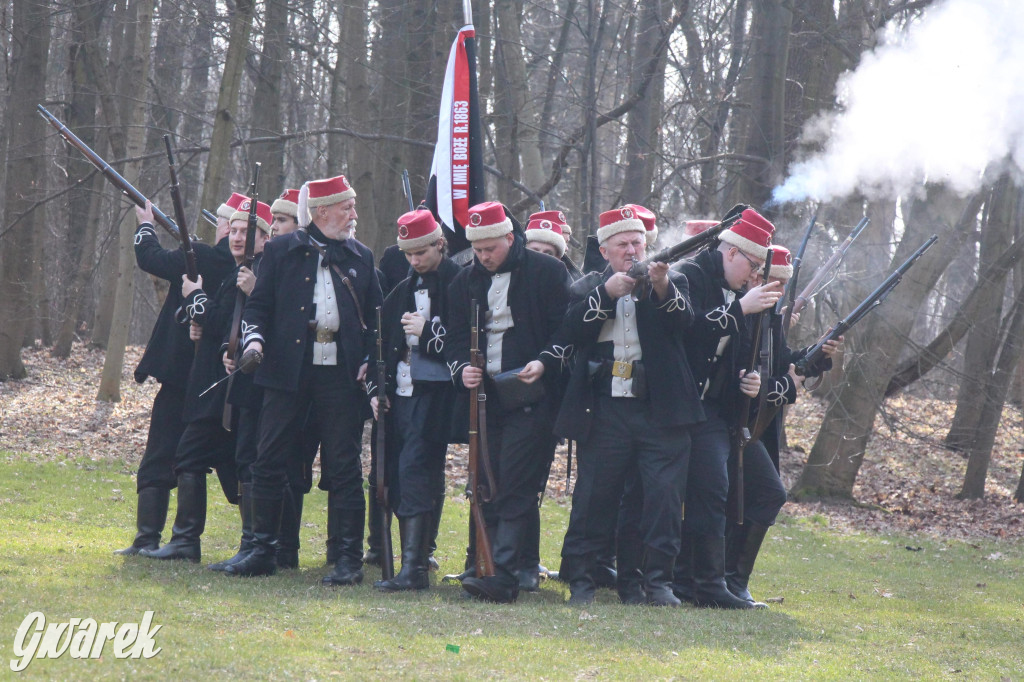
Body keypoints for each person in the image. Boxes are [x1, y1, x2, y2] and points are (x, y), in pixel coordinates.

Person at [227, 174, 382, 580]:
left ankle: (348, 561)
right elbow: (257, 309)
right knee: (269, 459)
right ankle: (263, 550)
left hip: (340, 376)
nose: (354, 215)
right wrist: (254, 343)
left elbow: (376, 321)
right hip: (285, 371)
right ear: (322, 212)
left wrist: (370, 360)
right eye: (347, 208)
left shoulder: (362, 257)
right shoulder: (280, 251)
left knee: (345, 464)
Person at [556, 206, 701, 606]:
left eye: (638, 242)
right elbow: (571, 330)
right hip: (605, 409)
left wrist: (660, 287)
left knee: (661, 500)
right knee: (594, 498)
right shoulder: (590, 286)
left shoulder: (674, 280)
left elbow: (684, 323)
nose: (633, 250)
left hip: (659, 410)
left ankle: (654, 583)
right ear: (605, 251)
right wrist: (607, 294)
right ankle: (582, 581)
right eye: (623, 244)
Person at [445, 201, 570, 604]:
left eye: (491, 249)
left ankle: (503, 575)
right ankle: (485, 566)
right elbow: (450, 339)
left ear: (510, 239)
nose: (484, 257)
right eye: (478, 251)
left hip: (531, 398)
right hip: (483, 402)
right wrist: (461, 367)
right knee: (486, 484)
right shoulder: (463, 282)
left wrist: (544, 362)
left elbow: (566, 332)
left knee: (515, 484)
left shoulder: (548, 272)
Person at [140, 200, 273, 562]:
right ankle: (206, 542)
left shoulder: (257, 275)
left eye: (247, 231)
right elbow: (225, 324)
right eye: (234, 229)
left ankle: (248, 545)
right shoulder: (240, 272)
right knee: (197, 457)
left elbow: (226, 318)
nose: (236, 236)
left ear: (265, 238)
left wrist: (195, 297)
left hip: (234, 384)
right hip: (220, 379)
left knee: (214, 459)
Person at [114, 193, 240, 556]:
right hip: (218, 380)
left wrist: (146, 225)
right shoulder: (237, 266)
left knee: (164, 454)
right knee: (209, 459)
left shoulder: (201, 257)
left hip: (186, 373)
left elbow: (148, 257)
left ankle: (150, 538)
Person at [671, 208, 781, 610]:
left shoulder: (741, 293)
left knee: (725, 489)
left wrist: (749, 383)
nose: (755, 276)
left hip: (717, 410)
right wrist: (741, 310)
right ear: (731, 252)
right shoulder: (688, 276)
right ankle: (702, 583)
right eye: (752, 265)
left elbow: (738, 356)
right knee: (708, 490)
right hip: (683, 407)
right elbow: (688, 331)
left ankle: (716, 582)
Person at [723, 245, 841, 605]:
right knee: (768, 494)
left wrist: (816, 357)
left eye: (779, 285)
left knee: (749, 498)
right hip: (730, 422)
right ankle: (730, 579)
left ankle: (731, 579)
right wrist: (786, 386)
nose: (774, 290)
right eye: (769, 282)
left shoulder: (768, 317)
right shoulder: (741, 315)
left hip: (752, 426)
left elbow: (779, 362)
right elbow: (745, 380)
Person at [368, 210, 459, 591]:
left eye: (421, 252)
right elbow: (380, 349)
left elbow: (465, 340)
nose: (414, 261)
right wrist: (377, 391)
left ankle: (415, 569)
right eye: (408, 254)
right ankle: (406, 562)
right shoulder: (400, 290)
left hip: (435, 397)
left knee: (418, 471)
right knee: (395, 473)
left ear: (440, 244)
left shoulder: (460, 283)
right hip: (400, 397)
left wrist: (428, 332)